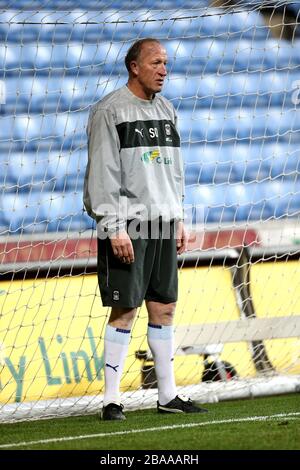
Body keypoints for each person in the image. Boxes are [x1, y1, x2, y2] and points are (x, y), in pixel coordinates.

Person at [84, 38, 208, 420]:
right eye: (156, 63)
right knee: (125, 309)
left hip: (164, 224)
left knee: (164, 307)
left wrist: (179, 217)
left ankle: (167, 396)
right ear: (134, 66)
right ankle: (111, 400)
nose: (164, 70)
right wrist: (113, 226)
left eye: (166, 63)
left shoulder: (168, 110)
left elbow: (175, 172)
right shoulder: (110, 111)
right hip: (129, 225)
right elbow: (102, 173)